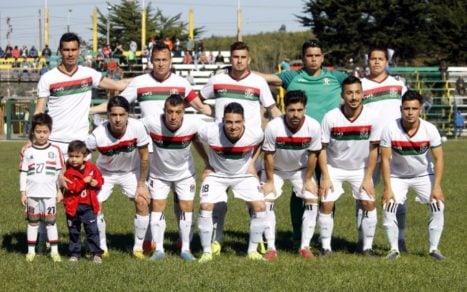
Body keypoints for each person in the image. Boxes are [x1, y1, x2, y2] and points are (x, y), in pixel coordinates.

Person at [256, 39, 347, 243]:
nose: (313, 59)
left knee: (326, 189)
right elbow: (266, 78)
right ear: (303, 57)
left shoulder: (336, 77)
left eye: (317, 55)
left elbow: (358, 86)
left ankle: (324, 237)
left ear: (323, 57)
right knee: (301, 190)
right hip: (298, 143)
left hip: (328, 145)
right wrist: (240, 71)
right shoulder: (292, 76)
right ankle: (299, 235)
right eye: (309, 55)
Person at [200, 41, 282, 254]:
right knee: (217, 200)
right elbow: (198, 99)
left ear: (249, 59)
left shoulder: (258, 82)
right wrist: (213, 114)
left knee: (253, 199)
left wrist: (285, 131)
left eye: (243, 57)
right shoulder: (217, 80)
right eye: (235, 57)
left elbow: (272, 109)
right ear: (230, 58)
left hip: (249, 150)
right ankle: (216, 240)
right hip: (222, 145)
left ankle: (259, 242)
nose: (239, 60)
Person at [34, 32, 130, 158]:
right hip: (54, 142)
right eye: (66, 50)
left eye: (73, 50)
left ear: (79, 51)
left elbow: (118, 85)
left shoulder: (89, 74)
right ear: (59, 51)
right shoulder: (47, 78)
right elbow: (39, 111)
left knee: (85, 179)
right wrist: (32, 140)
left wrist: (146, 78)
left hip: (81, 144)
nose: (70, 54)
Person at [141, 94, 208, 262]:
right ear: (164, 111)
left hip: (185, 175)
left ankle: (186, 248)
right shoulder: (150, 122)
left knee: (187, 207)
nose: (173, 116)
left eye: (178, 112)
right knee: (157, 207)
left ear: (184, 112)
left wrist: (209, 162)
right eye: (170, 111)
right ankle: (159, 249)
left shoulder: (194, 124)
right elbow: (131, 130)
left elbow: (211, 136)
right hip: (159, 174)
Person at [318, 76, 381, 256]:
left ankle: (367, 248)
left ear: (363, 94)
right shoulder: (330, 117)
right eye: (349, 93)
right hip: (334, 167)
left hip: (361, 169)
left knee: (368, 202)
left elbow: (373, 150)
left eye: (357, 93)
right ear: (342, 95)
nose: (354, 97)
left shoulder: (373, 117)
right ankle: (325, 248)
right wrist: (326, 176)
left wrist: (368, 178)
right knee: (327, 203)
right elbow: (321, 149)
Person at [197, 102, 267, 262]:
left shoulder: (254, 133)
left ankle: (252, 251)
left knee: (260, 206)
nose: (233, 126)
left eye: (237, 122)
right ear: (223, 121)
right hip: (217, 175)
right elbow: (196, 139)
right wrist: (207, 163)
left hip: (243, 175)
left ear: (243, 122)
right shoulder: (210, 131)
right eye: (229, 122)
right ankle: (206, 252)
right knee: (205, 206)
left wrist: (252, 163)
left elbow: (261, 143)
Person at [380, 90, 446, 261]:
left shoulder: (429, 129)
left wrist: (437, 187)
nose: (410, 112)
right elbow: (385, 160)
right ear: (401, 108)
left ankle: (434, 249)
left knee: (438, 205)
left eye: (414, 109)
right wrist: (387, 188)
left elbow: (439, 160)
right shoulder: (390, 128)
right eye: (406, 108)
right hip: (397, 176)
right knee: (389, 206)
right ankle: (394, 249)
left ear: (421, 110)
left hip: (424, 174)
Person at [86, 96, 150, 259]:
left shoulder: (137, 128)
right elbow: (81, 154)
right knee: (95, 206)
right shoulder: (98, 134)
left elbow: (144, 156)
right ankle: (102, 247)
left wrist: (141, 184)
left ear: (128, 114)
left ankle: (138, 248)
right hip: (105, 173)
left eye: (121, 115)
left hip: (130, 171)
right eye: (114, 115)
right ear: (108, 115)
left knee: (142, 201)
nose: (117, 119)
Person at [261, 90, 321, 260]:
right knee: (267, 200)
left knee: (311, 198)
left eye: (299, 110)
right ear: (284, 109)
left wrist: (309, 179)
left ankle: (304, 247)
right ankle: (271, 247)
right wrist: (270, 181)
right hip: (276, 171)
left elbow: (313, 156)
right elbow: (268, 156)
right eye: (291, 110)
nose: (296, 114)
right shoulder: (273, 126)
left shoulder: (313, 126)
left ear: (305, 109)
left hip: (300, 171)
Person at [361, 47, 408, 252]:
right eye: (373, 59)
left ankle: (400, 239)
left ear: (387, 61)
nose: (377, 62)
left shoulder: (398, 85)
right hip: (368, 146)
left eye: (381, 59)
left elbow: (409, 110)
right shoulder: (360, 85)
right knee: (365, 193)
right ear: (368, 61)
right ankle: (362, 241)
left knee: (397, 194)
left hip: (395, 147)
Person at [92, 41, 211, 117]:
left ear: (170, 61)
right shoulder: (140, 82)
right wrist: (89, 110)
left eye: (164, 60)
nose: (161, 64)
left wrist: (222, 116)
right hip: (147, 145)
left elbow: (200, 106)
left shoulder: (182, 83)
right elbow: (115, 103)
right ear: (151, 61)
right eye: (157, 60)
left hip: (172, 143)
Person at [19, 113, 64, 262]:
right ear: (33, 131)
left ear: (50, 131)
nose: (42, 135)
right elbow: (24, 173)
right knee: (33, 222)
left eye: (45, 132)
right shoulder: (28, 151)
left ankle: (54, 252)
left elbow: (60, 173)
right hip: (32, 194)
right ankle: (31, 251)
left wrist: (60, 191)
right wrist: (23, 193)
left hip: (50, 194)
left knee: (51, 222)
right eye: (38, 132)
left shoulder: (56, 150)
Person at [62, 140, 104, 264]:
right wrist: (84, 181)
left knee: (92, 230)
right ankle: (75, 253)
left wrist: (96, 183)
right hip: (72, 206)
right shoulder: (68, 172)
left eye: (77, 156)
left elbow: (100, 179)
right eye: (71, 156)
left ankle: (96, 253)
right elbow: (72, 188)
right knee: (74, 231)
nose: (73, 159)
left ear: (84, 156)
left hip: (88, 206)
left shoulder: (91, 168)